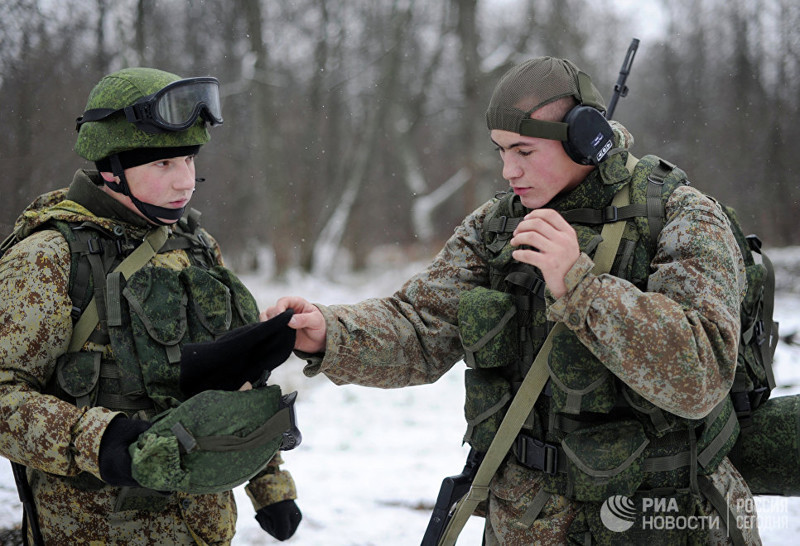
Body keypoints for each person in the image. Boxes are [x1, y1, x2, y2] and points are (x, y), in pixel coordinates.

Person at [265, 57, 761, 544]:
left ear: (583, 137)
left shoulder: (680, 214)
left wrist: (583, 287)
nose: (507, 170)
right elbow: (421, 325)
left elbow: (702, 373)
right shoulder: (498, 224)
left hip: (656, 517)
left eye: (523, 151)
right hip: (523, 521)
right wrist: (329, 333)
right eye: (501, 150)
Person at [0, 67, 301, 544]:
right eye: (163, 165)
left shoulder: (198, 247)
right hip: (93, 530)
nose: (186, 182)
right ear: (110, 166)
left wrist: (269, 482)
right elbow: (4, 397)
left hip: (203, 529)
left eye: (188, 160)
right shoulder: (50, 257)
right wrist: (104, 442)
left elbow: (234, 385)